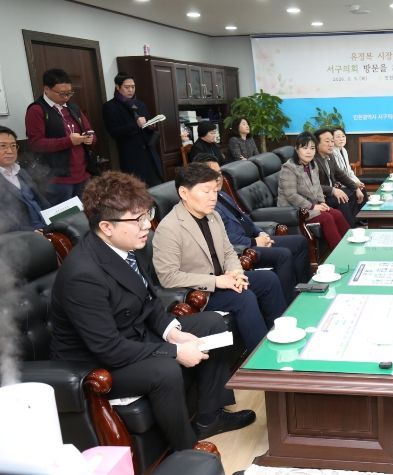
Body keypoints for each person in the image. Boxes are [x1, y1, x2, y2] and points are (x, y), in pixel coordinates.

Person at [49, 171, 255, 451]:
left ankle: (210, 418)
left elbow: (150, 301)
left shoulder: (129, 246)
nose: (147, 225)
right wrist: (175, 351)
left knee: (212, 325)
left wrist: (173, 333)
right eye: (137, 220)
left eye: (147, 214)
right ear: (106, 227)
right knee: (164, 369)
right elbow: (108, 348)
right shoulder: (82, 274)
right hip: (96, 363)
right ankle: (187, 452)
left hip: (133, 337)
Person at [152, 163, 287, 353]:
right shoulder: (169, 228)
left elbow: (228, 252)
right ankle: (260, 357)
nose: (213, 197)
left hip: (224, 280)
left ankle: (281, 334)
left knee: (268, 280)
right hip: (200, 293)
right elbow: (168, 277)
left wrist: (236, 272)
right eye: (206, 191)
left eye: (215, 191)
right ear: (184, 192)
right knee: (244, 298)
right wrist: (217, 281)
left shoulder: (213, 216)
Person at [192, 153, 310, 302]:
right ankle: (290, 300)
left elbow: (244, 218)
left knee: (299, 241)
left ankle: (304, 288)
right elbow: (224, 238)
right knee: (283, 254)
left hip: (254, 238)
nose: (218, 178)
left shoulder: (222, 195)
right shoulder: (206, 204)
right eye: (212, 174)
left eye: (219, 173)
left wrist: (261, 234)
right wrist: (254, 242)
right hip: (242, 248)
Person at [25, 68, 97, 205]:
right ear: (46, 89)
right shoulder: (37, 110)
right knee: (65, 217)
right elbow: (35, 143)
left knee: (86, 213)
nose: (66, 97)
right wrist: (68, 141)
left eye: (70, 93)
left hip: (82, 173)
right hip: (57, 179)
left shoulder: (73, 107)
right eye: (62, 93)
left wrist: (90, 138)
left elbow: (89, 130)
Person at [277, 132, 350, 250]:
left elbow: (318, 187)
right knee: (327, 218)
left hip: (311, 206)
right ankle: (339, 252)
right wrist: (312, 206)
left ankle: (350, 245)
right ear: (297, 149)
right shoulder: (289, 168)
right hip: (294, 210)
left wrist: (322, 202)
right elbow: (291, 195)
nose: (309, 152)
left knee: (337, 214)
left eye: (312, 148)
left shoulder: (312, 165)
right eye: (305, 148)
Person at [102, 72, 164, 186]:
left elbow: (146, 124)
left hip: (150, 155)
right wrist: (135, 125)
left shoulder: (140, 104)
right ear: (117, 87)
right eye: (127, 87)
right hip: (132, 157)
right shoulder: (110, 107)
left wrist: (151, 126)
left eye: (133, 87)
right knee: (137, 190)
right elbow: (113, 132)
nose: (130, 90)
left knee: (157, 189)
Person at [0, 126, 50, 233]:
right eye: (3, 146)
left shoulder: (21, 172)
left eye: (13, 145)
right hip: (21, 236)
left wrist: (55, 217)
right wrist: (33, 232)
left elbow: (40, 201)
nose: (10, 151)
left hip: (46, 226)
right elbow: (3, 225)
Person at [314, 128, 366, 226]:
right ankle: (349, 229)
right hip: (321, 195)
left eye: (332, 141)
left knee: (353, 192)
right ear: (317, 144)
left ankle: (356, 221)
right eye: (327, 141)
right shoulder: (313, 160)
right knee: (342, 199)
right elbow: (313, 185)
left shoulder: (330, 156)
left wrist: (355, 187)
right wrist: (333, 190)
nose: (331, 144)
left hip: (331, 191)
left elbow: (341, 175)